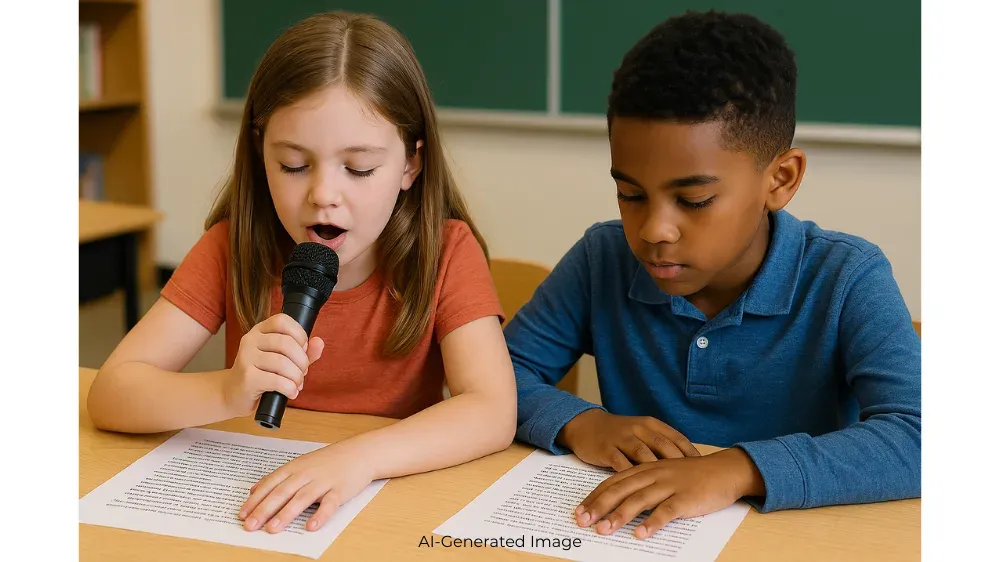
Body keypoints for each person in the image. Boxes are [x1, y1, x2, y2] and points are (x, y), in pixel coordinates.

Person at [87, 11, 516, 534]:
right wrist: (226, 392)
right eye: (293, 164)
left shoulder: (446, 251)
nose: (323, 195)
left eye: (359, 169)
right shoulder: (232, 245)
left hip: (383, 496)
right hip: (252, 491)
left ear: (410, 165)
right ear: (259, 152)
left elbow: (493, 410)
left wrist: (355, 460)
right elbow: (112, 394)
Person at [506, 10, 920, 540]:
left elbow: (921, 435)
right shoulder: (602, 258)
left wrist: (734, 469)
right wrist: (583, 423)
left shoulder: (847, 277)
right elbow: (497, 377)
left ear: (781, 179)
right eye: (630, 194)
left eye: (694, 200)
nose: (655, 229)